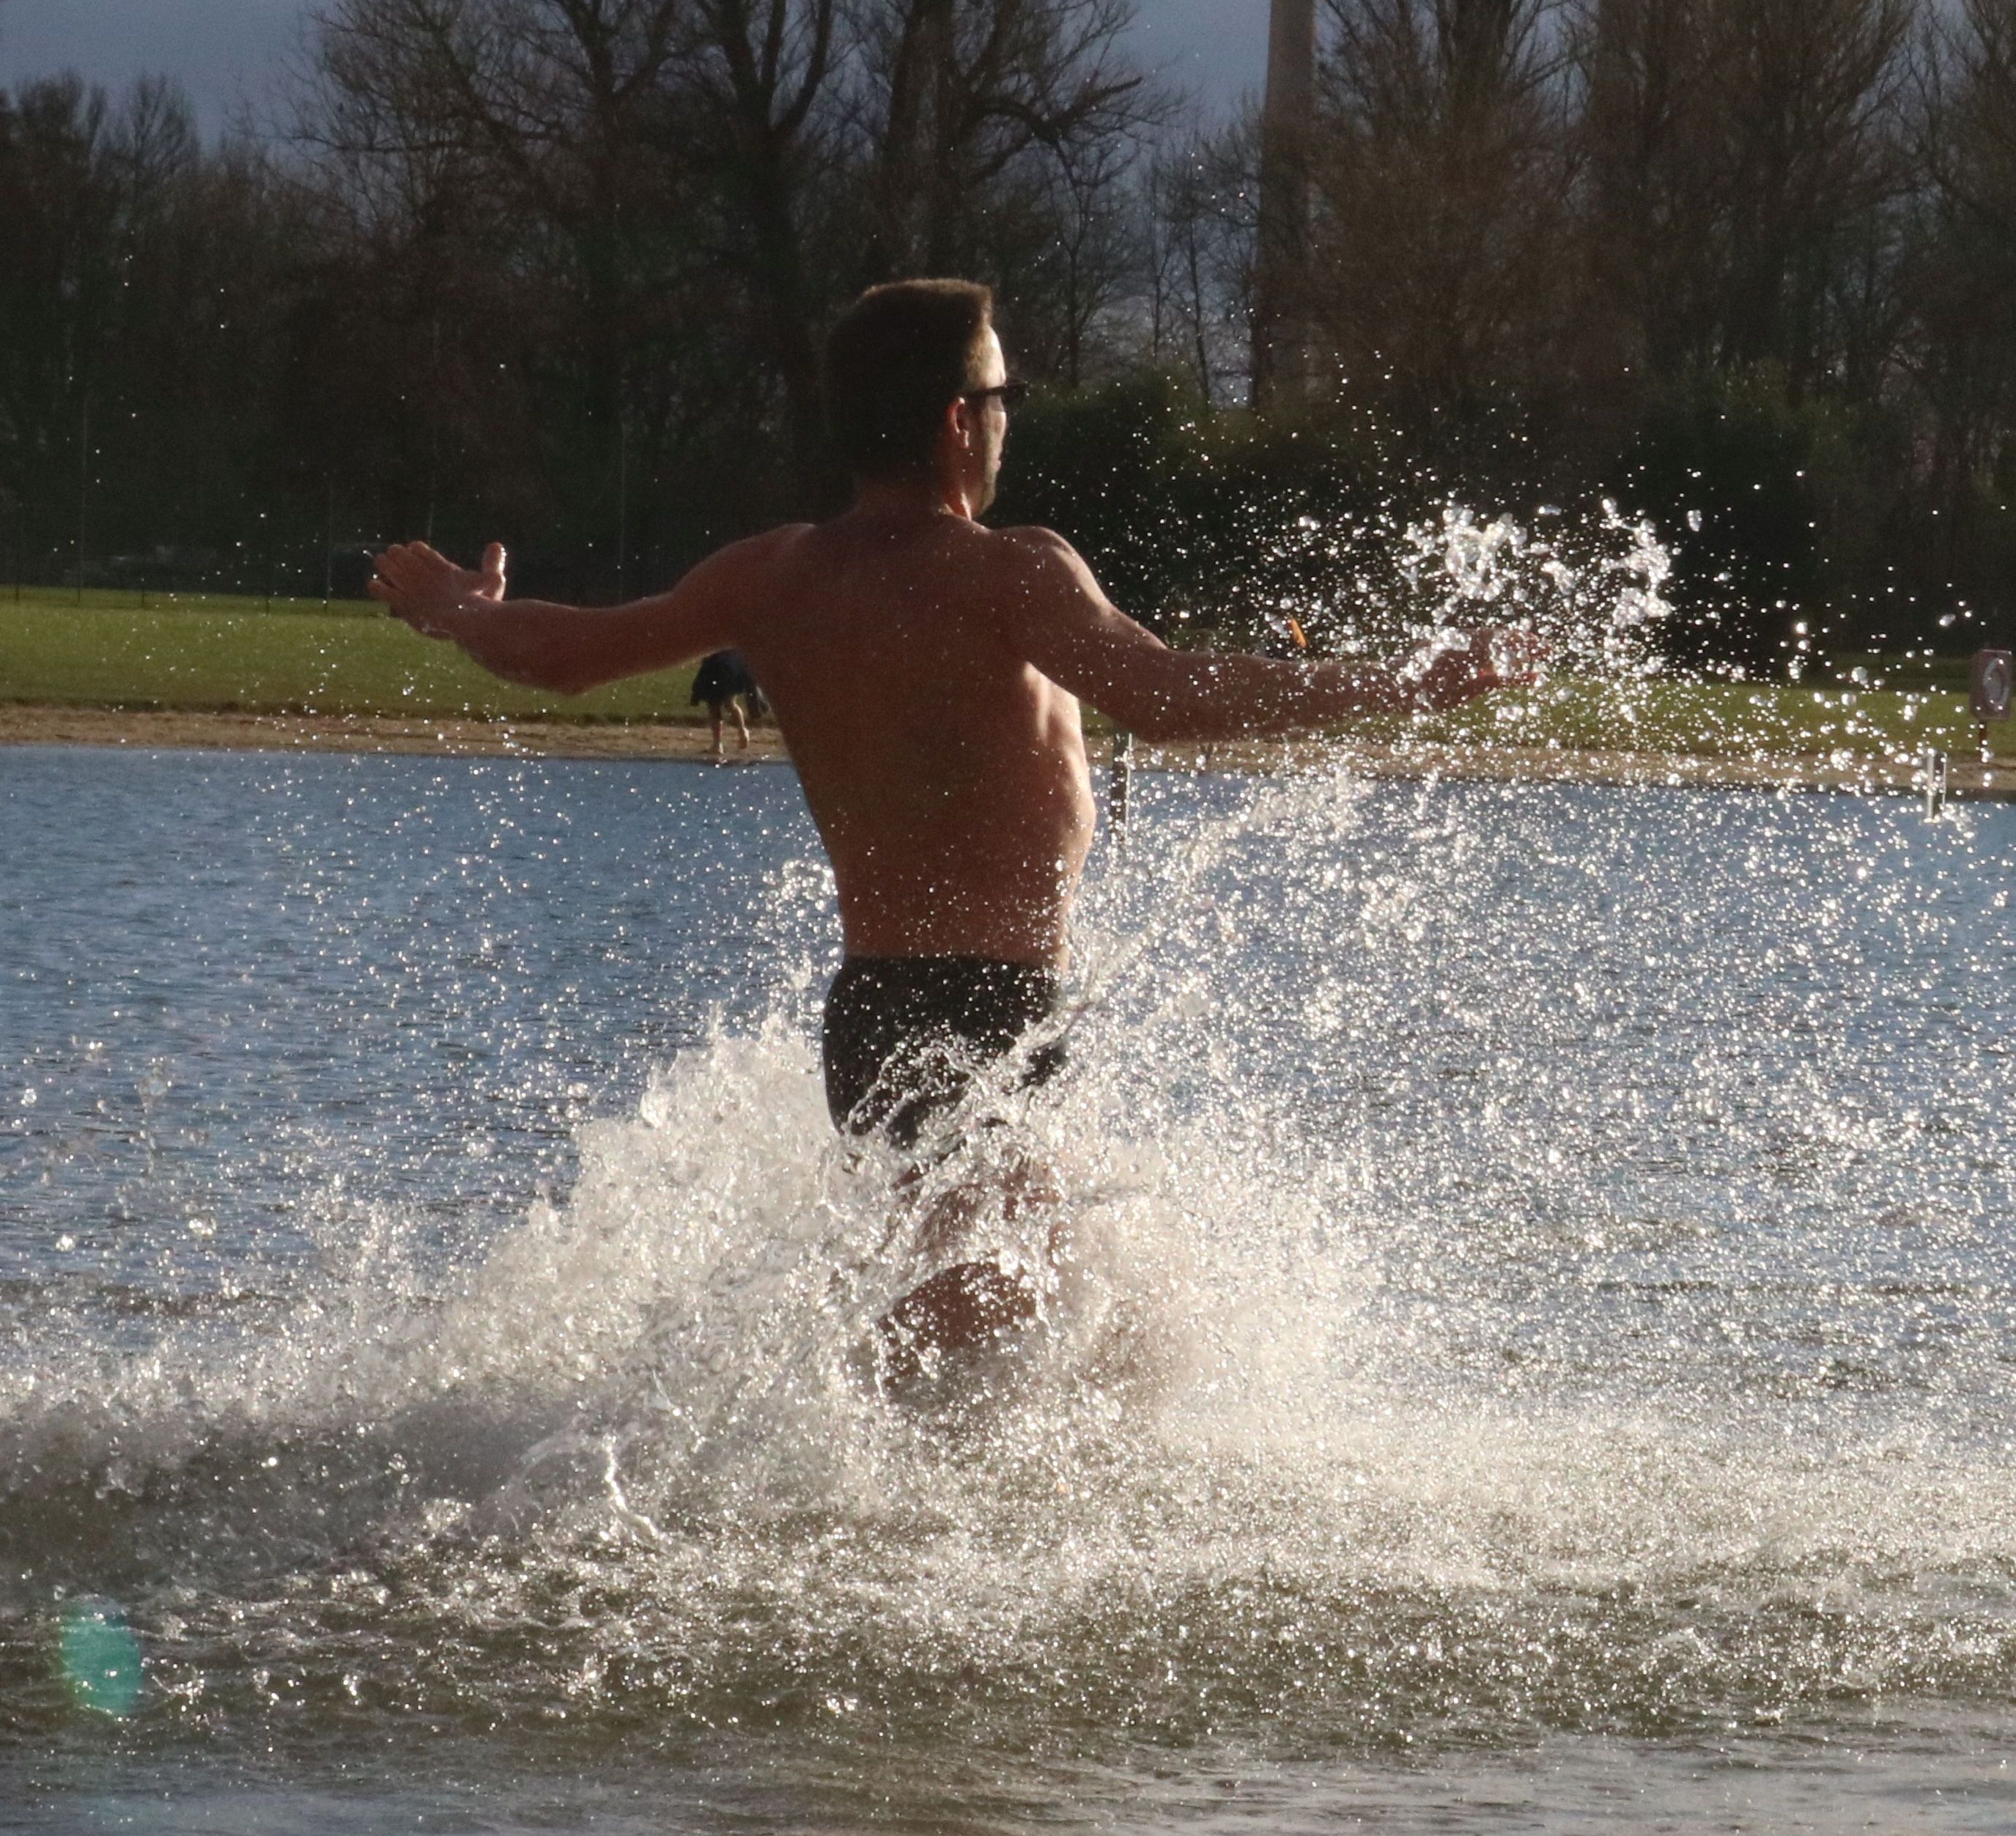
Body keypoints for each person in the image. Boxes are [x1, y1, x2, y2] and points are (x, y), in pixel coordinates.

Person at [367, 278, 1527, 1407]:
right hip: (989, 1008)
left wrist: (458, 608)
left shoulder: (774, 574)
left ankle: (796, 1446)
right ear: (957, 420)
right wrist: (1407, 680)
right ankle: (783, 1467)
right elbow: (1171, 696)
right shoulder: (1011, 571)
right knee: (1002, 1311)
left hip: (874, 1011)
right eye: (1003, 391)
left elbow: (566, 653)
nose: (1009, 415)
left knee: (1047, 1310)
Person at [689, 647, 762, 763]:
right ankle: (742, 732)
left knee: (714, 705)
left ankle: (718, 744)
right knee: (730, 704)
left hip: (716, 665)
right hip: (729, 664)